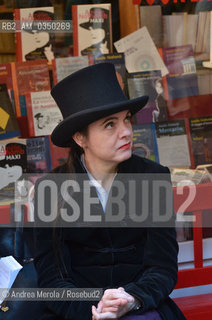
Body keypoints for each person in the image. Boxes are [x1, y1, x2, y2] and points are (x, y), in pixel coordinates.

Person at [33, 63, 186, 320]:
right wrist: (95, 309)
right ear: (80, 138)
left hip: (140, 306)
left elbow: (162, 267)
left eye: (127, 119)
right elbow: (52, 279)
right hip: (78, 313)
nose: (126, 131)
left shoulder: (152, 178)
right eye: (109, 125)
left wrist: (131, 299)